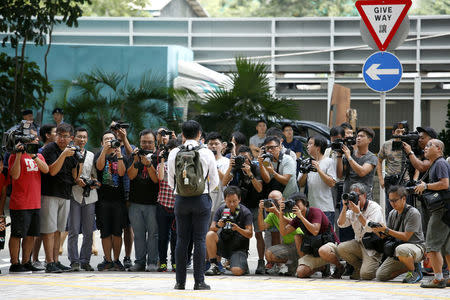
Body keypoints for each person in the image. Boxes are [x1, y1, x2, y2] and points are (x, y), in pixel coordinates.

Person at [167, 120, 219, 290]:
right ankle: (199, 282)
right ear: (199, 134)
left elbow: (170, 181)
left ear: (182, 135)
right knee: (199, 240)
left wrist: (182, 190)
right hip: (201, 199)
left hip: (181, 200)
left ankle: (179, 282)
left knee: (181, 240)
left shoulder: (174, 152)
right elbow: (215, 181)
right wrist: (204, 191)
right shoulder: (206, 152)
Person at [40, 123, 80, 273]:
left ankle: (56, 260)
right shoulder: (50, 148)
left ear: (71, 138)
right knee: (49, 229)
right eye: (59, 135)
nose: (62, 139)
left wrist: (79, 160)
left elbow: (76, 176)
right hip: (50, 193)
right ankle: (49, 261)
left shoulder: (72, 151)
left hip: (65, 193)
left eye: (65, 136)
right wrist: (63, 154)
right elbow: (52, 171)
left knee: (59, 229)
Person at [8, 130, 49, 273]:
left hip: (35, 202)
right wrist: (19, 155)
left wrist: (34, 157)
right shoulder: (15, 155)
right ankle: (14, 263)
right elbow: (15, 175)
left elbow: (46, 169)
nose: (37, 139)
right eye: (34, 137)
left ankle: (26, 261)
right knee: (17, 234)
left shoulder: (39, 155)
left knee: (31, 234)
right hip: (20, 203)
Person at [279, 192, 344, 278]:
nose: (295, 206)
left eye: (297, 203)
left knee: (323, 250)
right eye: (293, 204)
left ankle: (340, 267)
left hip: (329, 246)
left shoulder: (315, 211)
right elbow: (284, 232)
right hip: (314, 250)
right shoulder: (297, 218)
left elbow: (315, 231)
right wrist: (281, 214)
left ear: (305, 203)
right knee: (300, 273)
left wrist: (301, 217)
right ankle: (322, 267)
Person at [223, 145, 265, 274]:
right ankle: (238, 259)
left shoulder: (256, 168)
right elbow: (224, 182)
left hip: (255, 205)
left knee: (258, 234)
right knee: (237, 232)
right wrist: (231, 166)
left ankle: (261, 262)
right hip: (240, 206)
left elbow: (259, 189)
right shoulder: (236, 169)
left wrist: (250, 174)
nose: (244, 161)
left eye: (246, 158)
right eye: (241, 158)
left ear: (251, 158)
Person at [414, 139, 450, 288]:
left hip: (441, 210)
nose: (426, 148)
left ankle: (438, 278)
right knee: (447, 247)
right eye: (426, 146)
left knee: (432, 245)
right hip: (446, 209)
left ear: (439, 150)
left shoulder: (440, 163)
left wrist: (426, 186)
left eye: (430, 145)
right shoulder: (437, 164)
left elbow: (445, 184)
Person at [374, 185, 425, 283]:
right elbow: (388, 235)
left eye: (395, 200)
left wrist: (387, 230)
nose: (392, 203)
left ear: (404, 199)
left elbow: (406, 237)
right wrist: (378, 231)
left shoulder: (413, 213)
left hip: (416, 246)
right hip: (400, 249)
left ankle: (414, 272)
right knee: (381, 275)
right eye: (390, 201)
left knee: (401, 249)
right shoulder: (392, 213)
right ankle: (411, 266)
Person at [127, 129, 159, 272]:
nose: (146, 145)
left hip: (153, 203)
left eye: (150, 142)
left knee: (153, 234)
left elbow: (156, 179)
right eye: (144, 142)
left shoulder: (159, 157)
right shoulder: (134, 155)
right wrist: (136, 160)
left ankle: (152, 262)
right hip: (135, 202)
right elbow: (131, 176)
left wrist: (148, 164)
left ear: (154, 143)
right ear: (139, 142)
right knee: (138, 234)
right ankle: (139, 262)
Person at [95, 130, 127, 271]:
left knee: (117, 232)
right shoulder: (99, 155)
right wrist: (104, 151)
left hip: (118, 200)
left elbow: (121, 172)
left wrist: (119, 154)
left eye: (111, 139)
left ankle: (116, 260)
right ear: (102, 143)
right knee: (105, 232)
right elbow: (99, 167)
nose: (109, 141)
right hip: (103, 200)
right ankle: (107, 260)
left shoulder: (120, 156)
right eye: (106, 139)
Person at [337, 183, 384, 280]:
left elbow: (371, 228)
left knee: (366, 275)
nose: (354, 199)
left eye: (356, 196)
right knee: (341, 248)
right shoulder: (352, 209)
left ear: (364, 195)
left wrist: (358, 213)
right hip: (359, 243)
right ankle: (359, 267)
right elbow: (341, 224)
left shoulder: (374, 208)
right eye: (352, 195)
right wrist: (345, 207)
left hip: (373, 247)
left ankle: (376, 265)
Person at [67, 128, 99, 272]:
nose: (82, 139)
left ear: (87, 139)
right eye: (79, 137)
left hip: (90, 196)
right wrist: (76, 180)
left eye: (84, 137)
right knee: (73, 230)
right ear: (74, 138)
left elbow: (94, 174)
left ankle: (85, 260)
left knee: (88, 231)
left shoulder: (91, 155)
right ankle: (74, 261)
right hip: (74, 194)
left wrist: (93, 182)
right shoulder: (69, 153)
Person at [205, 186, 253, 276]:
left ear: (239, 199)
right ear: (225, 199)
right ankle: (214, 265)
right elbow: (212, 228)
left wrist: (238, 229)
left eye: (234, 201)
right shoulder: (221, 209)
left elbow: (250, 234)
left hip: (238, 248)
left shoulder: (245, 212)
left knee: (237, 271)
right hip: (224, 243)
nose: (231, 204)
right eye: (229, 201)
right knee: (210, 234)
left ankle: (240, 265)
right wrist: (218, 225)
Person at [258, 190, 303, 276]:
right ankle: (292, 262)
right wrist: (260, 211)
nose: (273, 202)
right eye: (270, 200)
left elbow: (294, 224)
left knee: (297, 239)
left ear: (282, 199)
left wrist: (277, 212)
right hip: (287, 245)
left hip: (300, 243)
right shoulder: (272, 215)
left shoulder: (291, 207)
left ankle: (299, 262)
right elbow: (262, 227)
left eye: (275, 200)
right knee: (269, 254)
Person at [109, 120, 135, 268]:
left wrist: (124, 139)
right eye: (116, 129)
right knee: (115, 226)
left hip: (127, 189)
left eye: (122, 129)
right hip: (112, 191)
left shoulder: (129, 146)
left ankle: (127, 256)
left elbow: (132, 156)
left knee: (127, 227)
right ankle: (112, 258)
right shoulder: (109, 144)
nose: (119, 131)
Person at [377, 121, 414, 217]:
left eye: (403, 131)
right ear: (393, 132)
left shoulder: (410, 145)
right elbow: (379, 161)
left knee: (406, 210)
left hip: (405, 181)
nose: (400, 134)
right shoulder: (387, 145)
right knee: (390, 209)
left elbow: (416, 163)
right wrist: (381, 179)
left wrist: (414, 179)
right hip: (391, 180)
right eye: (398, 131)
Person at [298, 135, 336, 226]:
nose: (307, 146)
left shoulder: (329, 161)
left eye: (310, 144)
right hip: (311, 208)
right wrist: (305, 172)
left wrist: (319, 170)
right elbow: (301, 184)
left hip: (326, 208)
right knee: (314, 238)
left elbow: (331, 183)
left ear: (318, 148)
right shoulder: (306, 162)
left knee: (327, 238)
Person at [155, 139, 179, 272]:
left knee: (176, 237)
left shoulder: (181, 165)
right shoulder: (161, 165)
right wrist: (163, 160)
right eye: (171, 149)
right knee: (163, 236)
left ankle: (175, 262)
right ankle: (163, 262)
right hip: (163, 205)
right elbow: (159, 177)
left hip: (177, 207)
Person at [337, 127, 378, 201]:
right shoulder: (350, 153)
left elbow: (362, 172)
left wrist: (349, 157)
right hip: (347, 198)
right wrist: (339, 156)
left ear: (369, 140)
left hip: (363, 199)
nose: (358, 138)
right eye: (357, 136)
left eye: (362, 136)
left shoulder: (372, 157)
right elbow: (339, 175)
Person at [206, 132, 230, 220]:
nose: (213, 146)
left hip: (222, 203)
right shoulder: (203, 161)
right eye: (210, 144)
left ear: (222, 145)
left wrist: (214, 167)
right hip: (206, 203)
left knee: (221, 229)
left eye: (216, 144)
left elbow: (225, 181)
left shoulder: (227, 162)